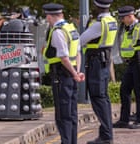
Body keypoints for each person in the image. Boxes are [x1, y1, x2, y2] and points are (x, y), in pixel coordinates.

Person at [42, 3, 85, 144]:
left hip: (61, 76)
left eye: (46, 17)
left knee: (63, 114)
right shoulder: (71, 29)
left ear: (49, 16)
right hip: (71, 75)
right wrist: (77, 72)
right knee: (72, 113)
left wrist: (73, 73)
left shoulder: (57, 31)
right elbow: (78, 53)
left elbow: (64, 57)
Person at [80, 0, 117, 143]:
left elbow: (81, 40)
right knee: (103, 98)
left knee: (98, 98)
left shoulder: (98, 24)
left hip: (96, 61)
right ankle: (105, 135)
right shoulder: (111, 21)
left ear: (96, 6)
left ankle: (107, 136)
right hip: (104, 61)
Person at [113, 6, 140, 129]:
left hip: (139, 61)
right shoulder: (127, 28)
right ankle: (124, 120)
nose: (122, 20)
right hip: (131, 63)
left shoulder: (139, 28)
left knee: (139, 91)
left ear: (130, 16)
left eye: (123, 18)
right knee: (124, 89)